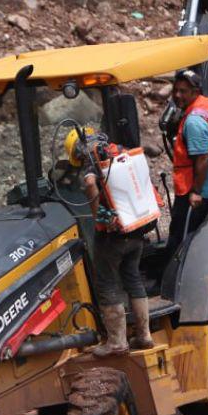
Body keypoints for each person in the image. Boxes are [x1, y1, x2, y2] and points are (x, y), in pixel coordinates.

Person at [65, 126, 155, 358]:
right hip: (136, 229)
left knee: (107, 283)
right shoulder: (119, 151)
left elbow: (89, 185)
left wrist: (101, 217)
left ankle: (116, 342)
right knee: (133, 278)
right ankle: (144, 335)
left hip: (112, 236)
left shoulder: (91, 162)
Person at [164, 68, 208, 266]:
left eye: (183, 91)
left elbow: (201, 159)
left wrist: (196, 192)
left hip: (197, 189)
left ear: (195, 92)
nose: (178, 95)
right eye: (176, 90)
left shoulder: (194, 122)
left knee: (181, 236)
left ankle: (174, 278)